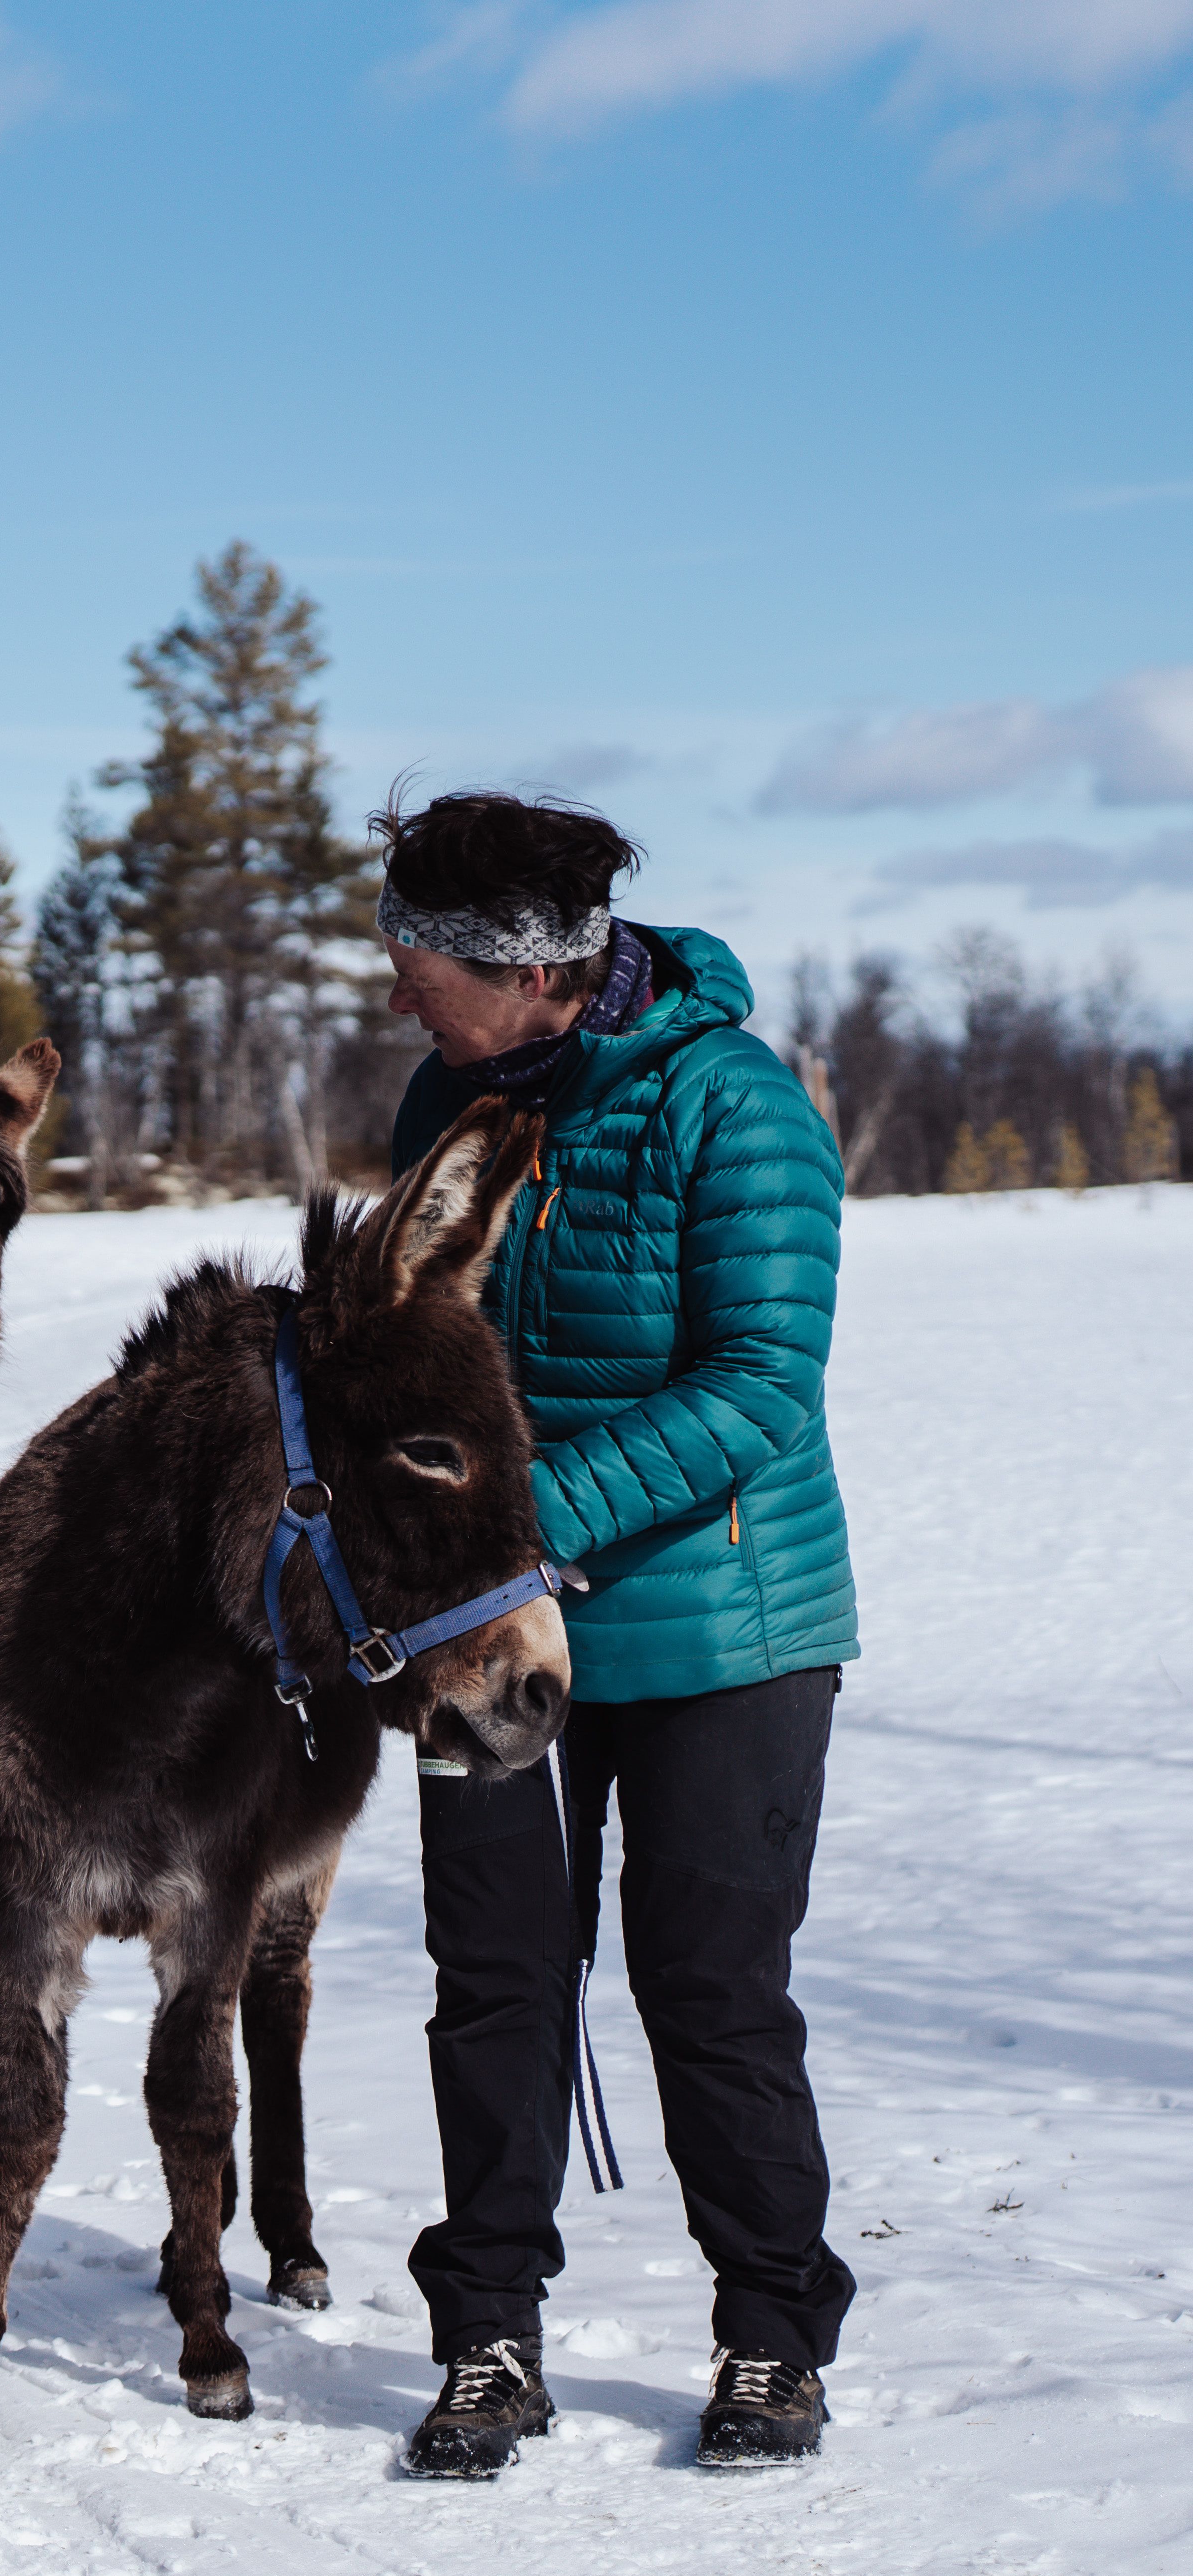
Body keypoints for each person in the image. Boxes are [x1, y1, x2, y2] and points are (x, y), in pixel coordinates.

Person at [371, 792, 860, 2479]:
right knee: (494, 1982)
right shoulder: (453, 1097)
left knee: (712, 1990)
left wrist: (518, 1524)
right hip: (489, 1632)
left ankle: (773, 2338)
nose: (395, 990)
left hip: (728, 1629)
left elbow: (757, 1390)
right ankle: (490, 2340)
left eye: (418, 959)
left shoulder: (739, 1111)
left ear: (528, 970)